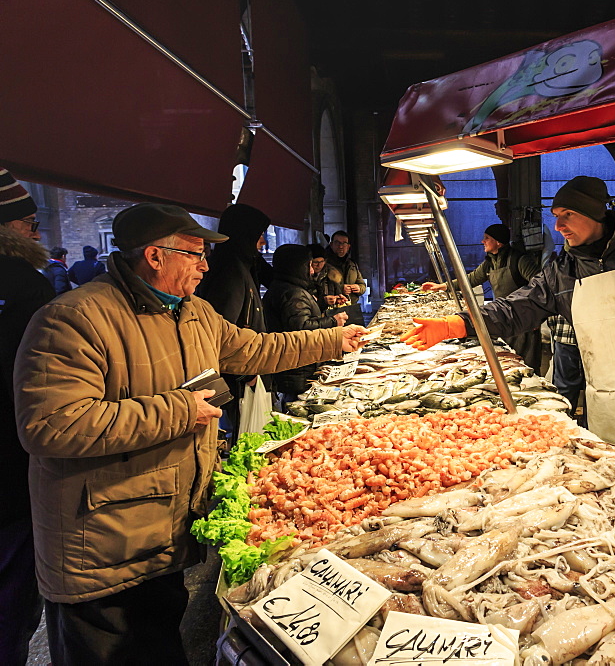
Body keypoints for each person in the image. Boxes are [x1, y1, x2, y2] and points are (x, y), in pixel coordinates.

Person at [13, 203, 366, 665]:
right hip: (100, 549)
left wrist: (333, 340)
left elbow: (253, 349)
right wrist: (180, 410)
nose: (205, 265)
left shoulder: (193, 312)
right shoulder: (73, 318)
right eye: (194, 254)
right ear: (155, 256)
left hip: (162, 536)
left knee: (160, 645)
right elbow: (51, 426)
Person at [402, 176, 615, 459]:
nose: (558, 226)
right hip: (608, 408)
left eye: (567, 214)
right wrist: (458, 324)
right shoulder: (561, 273)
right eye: (555, 215)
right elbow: (515, 309)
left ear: (595, 213)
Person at [0, 170, 51, 665]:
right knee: (11, 606)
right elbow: (41, 397)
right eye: (29, 224)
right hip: (10, 472)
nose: (36, 235)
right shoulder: (26, 288)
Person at [421, 223, 543, 372]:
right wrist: (443, 286)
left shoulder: (519, 260)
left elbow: (541, 284)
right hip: (503, 318)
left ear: (498, 242)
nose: (482, 241)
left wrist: (537, 315)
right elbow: (470, 280)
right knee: (509, 360)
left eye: (487, 238)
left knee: (526, 365)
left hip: (524, 320)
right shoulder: (490, 263)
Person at [196, 203, 275, 435]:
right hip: (238, 380)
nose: (262, 242)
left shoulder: (245, 263)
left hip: (249, 369)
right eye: (259, 235)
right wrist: (246, 372)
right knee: (241, 433)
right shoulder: (230, 271)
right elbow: (221, 331)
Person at [264, 243, 350, 402]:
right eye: (309, 265)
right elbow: (300, 327)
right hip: (297, 368)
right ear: (296, 266)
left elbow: (300, 315)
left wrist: (324, 304)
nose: (312, 270)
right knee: (296, 406)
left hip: (293, 366)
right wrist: (333, 321)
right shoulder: (292, 293)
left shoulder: (287, 287)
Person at [320, 230, 366, 326]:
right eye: (337, 243)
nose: (340, 246)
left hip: (351, 309)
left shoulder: (352, 264)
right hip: (332, 312)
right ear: (331, 244)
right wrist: (340, 289)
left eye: (344, 243)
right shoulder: (323, 264)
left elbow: (362, 285)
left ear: (348, 246)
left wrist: (358, 288)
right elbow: (319, 287)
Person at [548, 313, 585, 424]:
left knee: (565, 390)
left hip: (566, 336)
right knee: (596, 393)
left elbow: (553, 308)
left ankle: (560, 432)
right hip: (600, 339)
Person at [308, 242, 348, 311]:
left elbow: (337, 293)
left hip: (329, 316)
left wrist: (337, 299)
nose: (319, 265)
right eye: (315, 262)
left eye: (322, 261)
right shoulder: (304, 279)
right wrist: (323, 301)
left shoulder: (333, 276)